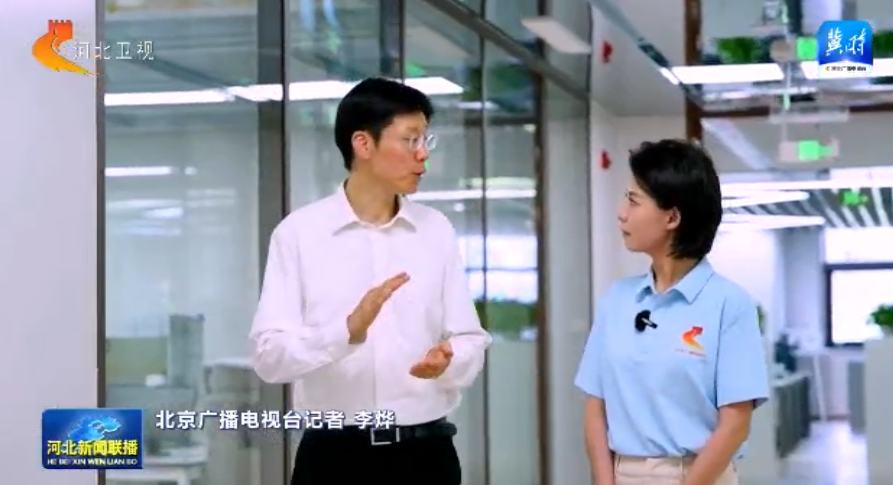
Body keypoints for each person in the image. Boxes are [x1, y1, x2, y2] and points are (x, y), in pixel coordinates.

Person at [249, 77, 491, 485]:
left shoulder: (435, 230)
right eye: (410, 140)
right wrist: (346, 332)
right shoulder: (300, 234)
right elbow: (269, 356)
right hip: (334, 460)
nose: (422, 155)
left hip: (425, 457)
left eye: (426, 141)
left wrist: (450, 360)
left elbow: (470, 337)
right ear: (363, 144)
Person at [575, 139, 770, 485]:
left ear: (672, 217)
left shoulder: (729, 304)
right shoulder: (617, 301)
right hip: (623, 474)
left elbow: (735, 423)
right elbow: (596, 408)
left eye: (633, 200)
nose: (621, 213)